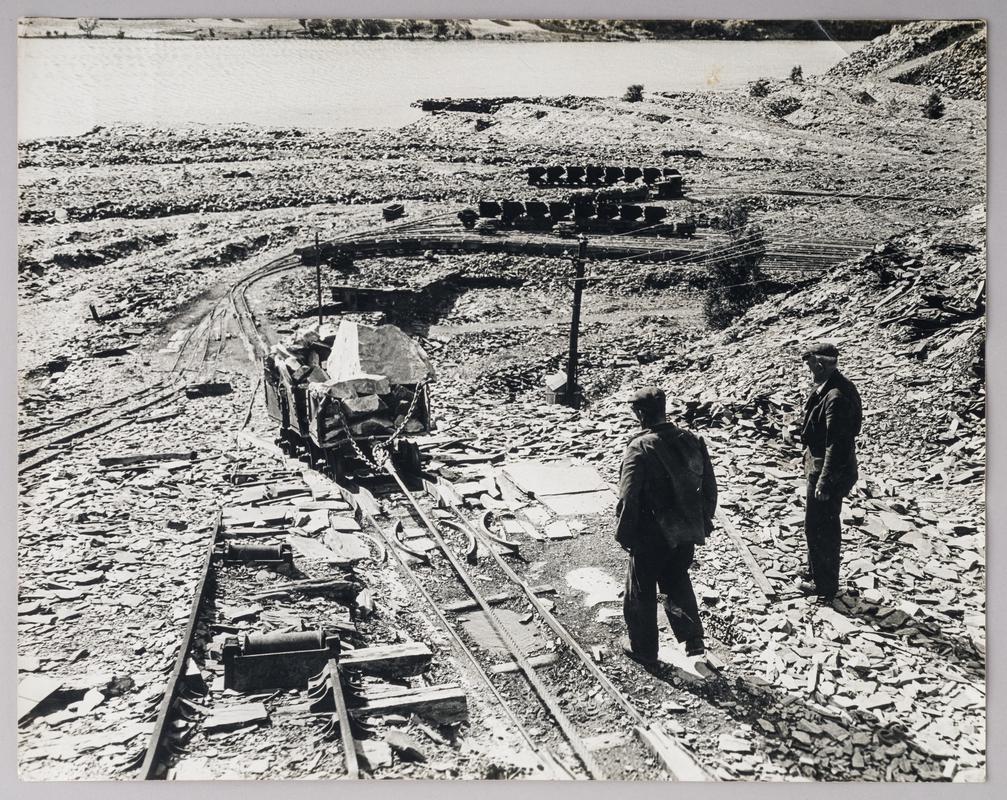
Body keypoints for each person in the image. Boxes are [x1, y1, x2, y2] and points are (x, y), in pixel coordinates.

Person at [615, 387, 718, 665]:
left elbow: (628, 497)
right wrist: (702, 520)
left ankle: (643, 649)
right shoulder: (692, 439)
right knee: (677, 578)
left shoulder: (640, 446)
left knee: (641, 589)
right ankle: (693, 638)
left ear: (639, 414)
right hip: (685, 528)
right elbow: (710, 488)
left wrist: (625, 533)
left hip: (652, 533)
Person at [798, 342, 863, 603]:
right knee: (815, 525)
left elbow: (838, 444)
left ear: (821, 365)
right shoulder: (828, 387)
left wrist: (824, 482)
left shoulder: (836, 395)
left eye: (811, 365)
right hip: (820, 466)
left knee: (822, 527)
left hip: (829, 471)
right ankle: (816, 572)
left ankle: (824, 586)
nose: (809, 371)